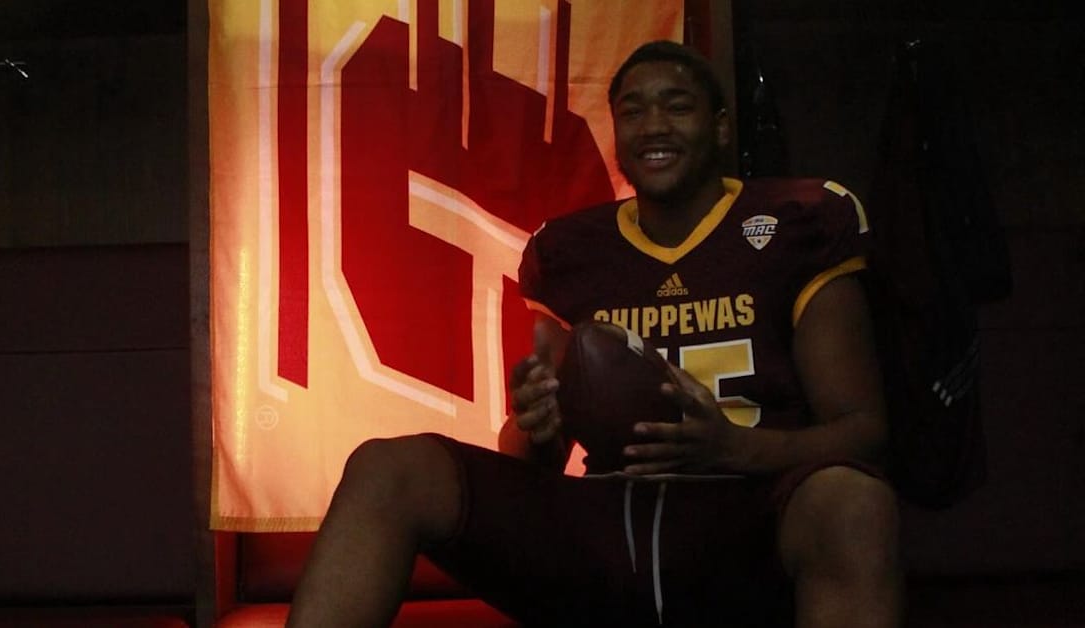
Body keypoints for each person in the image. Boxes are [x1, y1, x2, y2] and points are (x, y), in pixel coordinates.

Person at [285, 40, 902, 628]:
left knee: (854, 502)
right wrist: (535, 424)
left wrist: (734, 449)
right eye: (633, 112)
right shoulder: (574, 250)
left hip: (744, 514)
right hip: (605, 518)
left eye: (676, 106)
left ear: (719, 127)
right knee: (388, 467)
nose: (653, 126)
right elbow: (534, 459)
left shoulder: (795, 223)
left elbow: (864, 430)